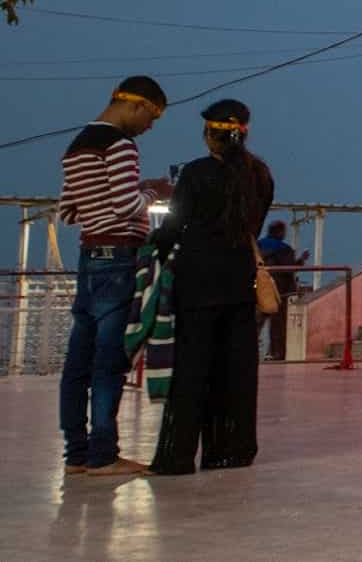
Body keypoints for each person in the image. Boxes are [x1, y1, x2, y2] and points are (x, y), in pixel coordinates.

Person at [150, 99, 276, 474]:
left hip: (197, 281)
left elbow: (173, 228)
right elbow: (254, 225)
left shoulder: (196, 173)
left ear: (210, 135)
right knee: (237, 369)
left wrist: (151, 253)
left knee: (192, 368)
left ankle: (179, 453)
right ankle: (232, 449)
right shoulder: (261, 175)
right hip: (240, 281)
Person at [56, 77, 171, 477]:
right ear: (137, 106)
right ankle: (104, 454)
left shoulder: (77, 146)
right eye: (151, 117)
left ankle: (76, 453)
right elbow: (125, 206)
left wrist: (111, 197)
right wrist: (153, 191)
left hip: (89, 257)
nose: (149, 127)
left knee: (77, 364)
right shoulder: (120, 145)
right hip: (118, 259)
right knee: (109, 361)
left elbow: (68, 212)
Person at [255, 220, 301, 361]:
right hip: (280, 292)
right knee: (278, 325)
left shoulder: (258, 246)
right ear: (280, 232)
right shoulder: (284, 249)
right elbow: (289, 269)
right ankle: (277, 353)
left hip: (259, 289)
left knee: (256, 324)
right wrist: (300, 262)